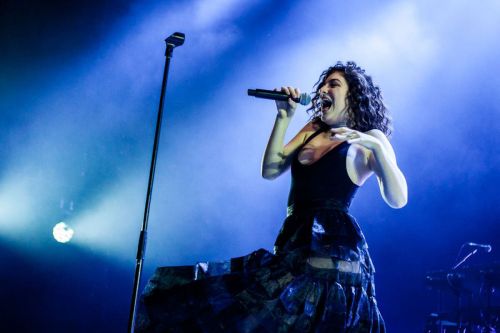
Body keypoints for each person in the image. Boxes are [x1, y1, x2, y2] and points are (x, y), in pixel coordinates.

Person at [135, 61, 407, 332]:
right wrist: (283, 117)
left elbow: (398, 198)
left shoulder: (371, 137)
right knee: (255, 306)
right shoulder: (312, 129)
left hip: (333, 248)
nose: (324, 89)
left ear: (353, 96)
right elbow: (271, 169)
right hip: (296, 238)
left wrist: (377, 148)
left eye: (334, 84)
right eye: (323, 83)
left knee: (313, 313)